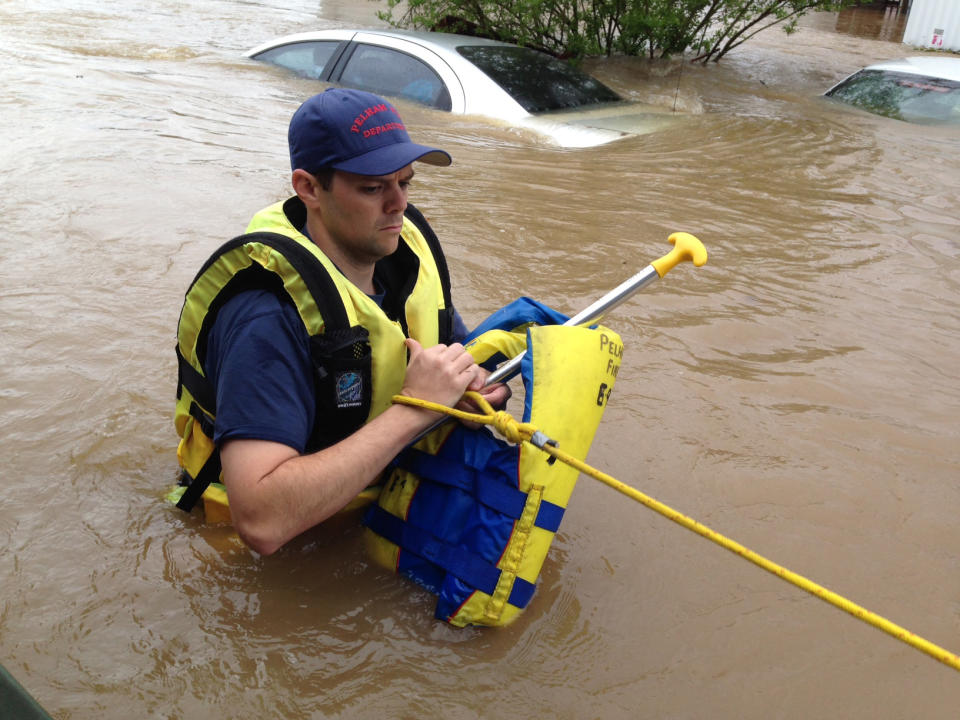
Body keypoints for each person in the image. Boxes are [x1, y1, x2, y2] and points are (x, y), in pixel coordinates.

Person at [174, 88, 509, 555]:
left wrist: (477, 386)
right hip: (261, 559)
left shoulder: (400, 256)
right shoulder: (265, 315)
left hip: (376, 518)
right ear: (309, 188)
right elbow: (262, 522)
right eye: (373, 188)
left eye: (406, 183)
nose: (398, 205)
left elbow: (452, 353)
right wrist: (417, 409)